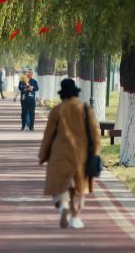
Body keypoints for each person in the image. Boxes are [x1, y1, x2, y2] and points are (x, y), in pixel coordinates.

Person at [38, 78, 101, 229]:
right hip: (81, 155)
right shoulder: (85, 109)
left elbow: (48, 135)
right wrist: (96, 153)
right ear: (75, 94)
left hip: (60, 153)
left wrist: (43, 155)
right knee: (79, 187)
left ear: (62, 95)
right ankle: (75, 217)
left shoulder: (57, 110)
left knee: (60, 184)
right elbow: (95, 135)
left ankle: (64, 205)